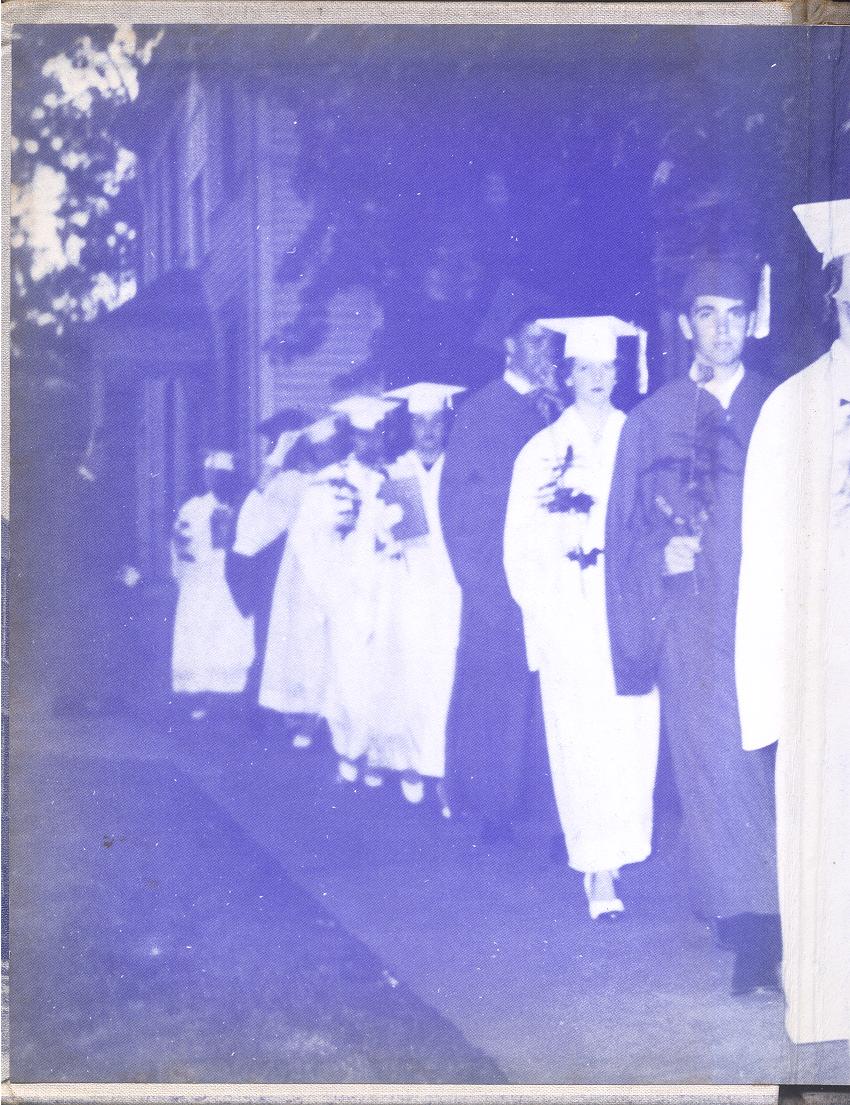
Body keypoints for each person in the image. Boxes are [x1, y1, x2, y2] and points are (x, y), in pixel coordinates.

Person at [605, 256, 779, 995]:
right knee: (713, 769)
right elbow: (624, 532)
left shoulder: (782, 408)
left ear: (753, 322)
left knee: (771, 770)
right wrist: (661, 556)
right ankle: (754, 929)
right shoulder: (653, 420)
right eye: (707, 314)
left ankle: (761, 907)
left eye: (735, 314)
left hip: (772, 610)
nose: (723, 329)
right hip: (694, 619)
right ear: (685, 325)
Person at [737, 198, 850, 1045]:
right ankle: (827, 998)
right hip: (823, 661)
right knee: (822, 828)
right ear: (836, 297)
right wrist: (766, 692)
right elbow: (765, 555)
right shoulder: (794, 406)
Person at [505, 317, 659, 919]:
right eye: (586, 368)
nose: (597, 378)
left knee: (632, 733)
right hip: (569, 614)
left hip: (629, 613)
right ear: (567, 375)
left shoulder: (640, 439)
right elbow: (520, 545)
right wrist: (546, 612)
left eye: (607, 368)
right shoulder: (542, 451)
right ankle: (596, 865)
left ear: (619, 374)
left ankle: (622, 848)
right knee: (580, 735)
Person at [439, 307, 563, 844]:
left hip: (549, 574)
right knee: (496, 692)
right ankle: (490, 806)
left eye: (550, 343)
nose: (544, 353)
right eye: (533, 341)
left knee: (545, 691)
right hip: (495, 580)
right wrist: (482, 581)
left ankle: (541, 805)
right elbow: (457, 505)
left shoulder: (555, 410)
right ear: (509, 346)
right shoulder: (481, 412)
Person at [365, 382, 466, 806]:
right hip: (406, 588)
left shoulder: (458, 469)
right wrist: (385, 534)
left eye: (436, 422)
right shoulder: (394, 473)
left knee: (445, 677)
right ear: (409, 427)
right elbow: (375, 535)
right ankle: (407, 761)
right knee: (406, 675)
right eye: (420, 422)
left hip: (449, 589)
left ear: (446, 425)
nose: (428, 430)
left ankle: (441, 770)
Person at [311, 395, 400, 786]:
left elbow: (408, 532)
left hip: (386, 586)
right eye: (363, 436)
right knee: (348, 673)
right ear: (351, 438)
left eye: (377, 434)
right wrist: (329, 590)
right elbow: (310, 540)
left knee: (383, 671)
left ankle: (376, 753)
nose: (370, 443)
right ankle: (349, 748)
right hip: (345, 590)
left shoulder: (393, 477)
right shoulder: (330, 480)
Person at [258, 415, 347, 749]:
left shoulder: (348, 479)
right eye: (319, 448)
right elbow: (263, 497)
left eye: (331, 447)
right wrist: (278, 454)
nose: (326, 454)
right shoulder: (296, 482)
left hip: (341, 568)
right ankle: (305, 713)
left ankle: (331, 715)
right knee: (304, 642)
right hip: (303, 571)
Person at [226, 408, 311, 709]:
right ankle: (261, 706)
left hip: (285, 565)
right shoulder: (286, 481)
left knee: (277, 638)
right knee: (271, 638)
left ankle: (268, 705)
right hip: (272, 567)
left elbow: (254, 528)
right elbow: (254, 526)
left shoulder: (295, 481)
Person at [171, 450, 255, 720]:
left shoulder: (243, 507)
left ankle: (231, 695)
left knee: (230, 634)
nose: (219, 481)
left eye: (225, 477)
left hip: (232, 579)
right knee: (200, 635)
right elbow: (180, 545)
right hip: (201, 579)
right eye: (214, 476)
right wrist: (189, 563)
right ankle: (198, 696)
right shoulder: (194, 508)